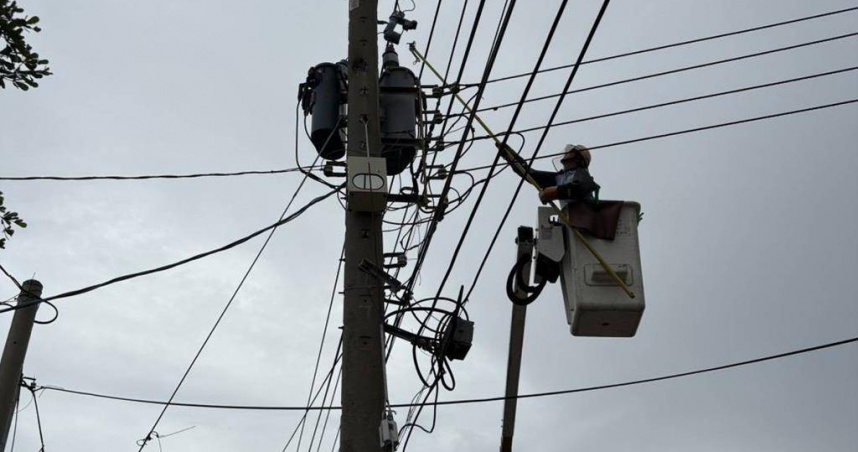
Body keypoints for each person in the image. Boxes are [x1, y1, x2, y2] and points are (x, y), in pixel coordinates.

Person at [501, 143, 600, 205]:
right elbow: (530, 174)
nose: (565, 156)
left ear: (577, 158)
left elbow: (578, 189)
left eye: (569, 153)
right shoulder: (560, 178)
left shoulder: (583, 175)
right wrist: (510, 156)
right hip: (571, 222)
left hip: (582, 221)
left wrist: (553, 192)